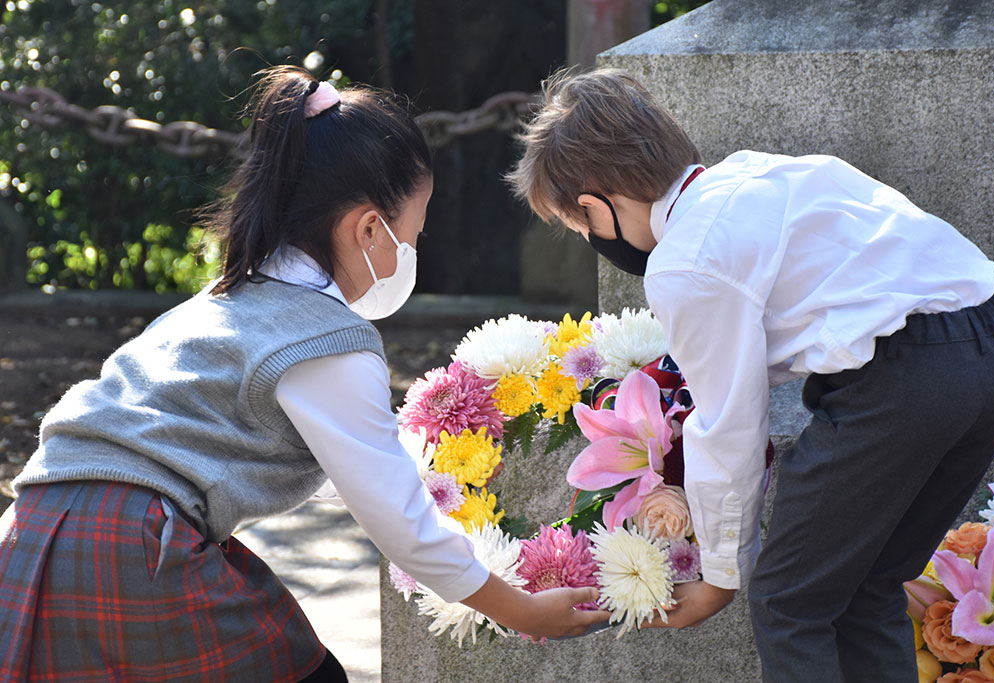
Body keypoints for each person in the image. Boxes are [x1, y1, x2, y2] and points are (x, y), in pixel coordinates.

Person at [0, 66, 608, 682]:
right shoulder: (328, 342)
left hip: (32, 527)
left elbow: (333, 465)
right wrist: (522, 610)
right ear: (371, 228)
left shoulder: (221, 299)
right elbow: (399, 525)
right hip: (134, 542)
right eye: (414, 233)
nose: (414, 250)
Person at [507, 67, 994, 682]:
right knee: (869, 586)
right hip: (989, 351)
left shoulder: (686, 260)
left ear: (594, 205)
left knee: (788, 601)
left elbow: (731, 426)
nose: (594, 238)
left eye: (582, 227)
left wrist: (721, 578)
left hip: (902, 380)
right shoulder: (762, 171)